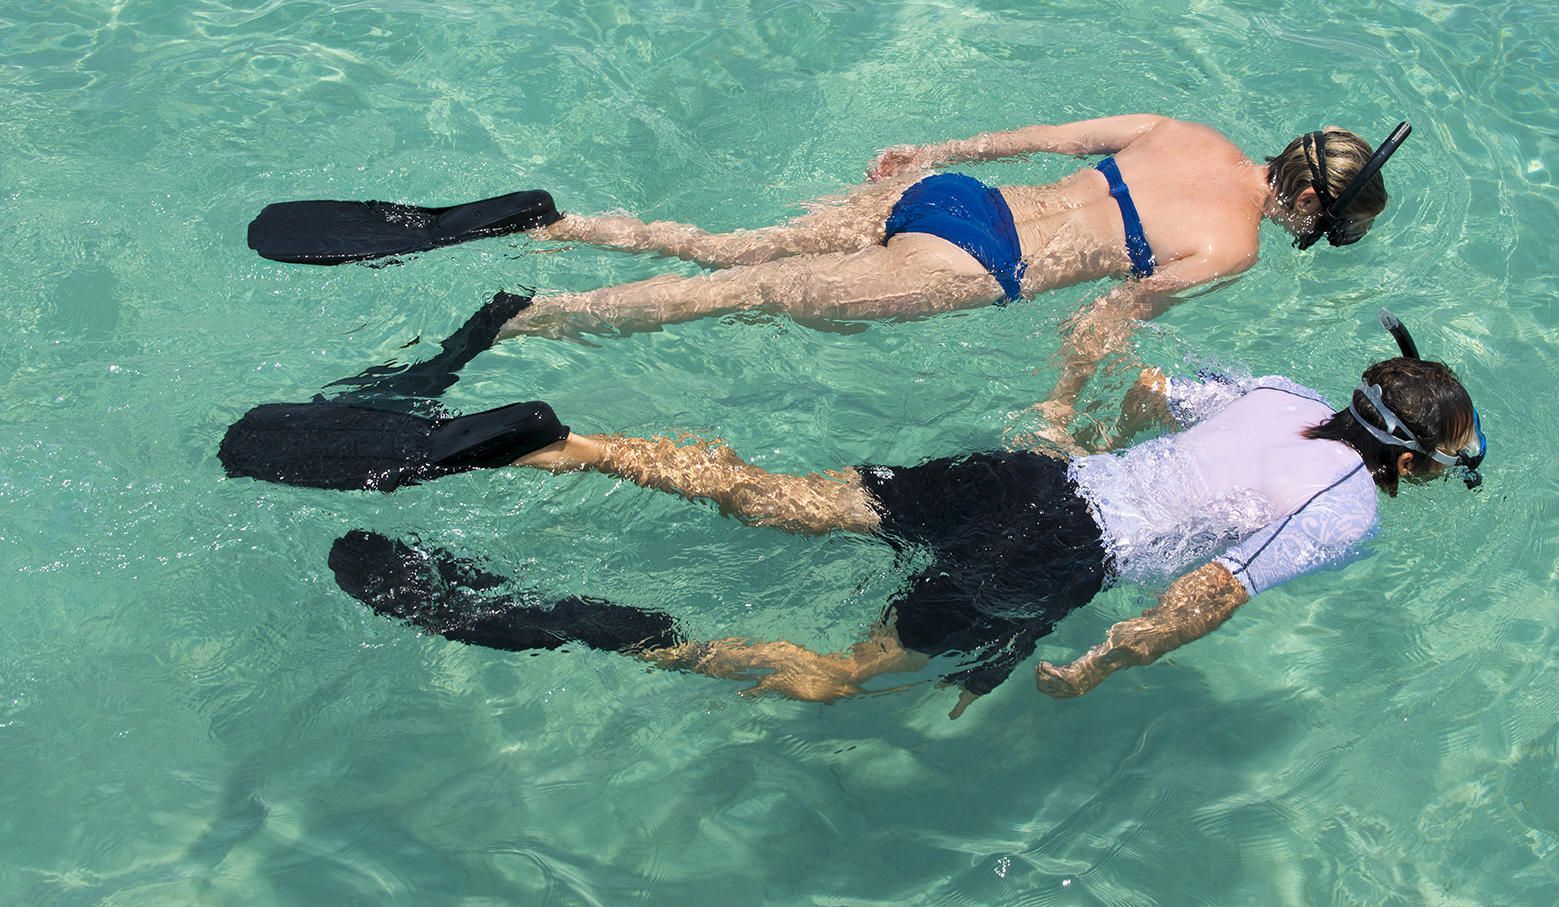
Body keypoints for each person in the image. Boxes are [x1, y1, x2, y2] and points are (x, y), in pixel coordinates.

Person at [277, 312, 1484, 717]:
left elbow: (1158, 385)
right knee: (838, 677)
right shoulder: (1344, 514)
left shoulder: (1280, 395)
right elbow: (1206, 593)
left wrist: (1095, 437)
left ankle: (559, 445)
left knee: (767, 498)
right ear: (1414, 465)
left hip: (1026, 484)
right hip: (1061, 556)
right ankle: (639, 635)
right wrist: (1101, 666)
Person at [248, 117, 1409, 396]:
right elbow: (1099, 322)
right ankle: (526, 314)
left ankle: (545, 221)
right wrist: (1062, 413)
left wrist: (928, 151)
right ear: (1309, 198)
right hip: (969, 269)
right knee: (744, 296)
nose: (1310, 234)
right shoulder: (1235, 244)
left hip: (955, 191)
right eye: (1324, 221)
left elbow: (1046, 135)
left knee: (723, 247)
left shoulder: (1189, 130)